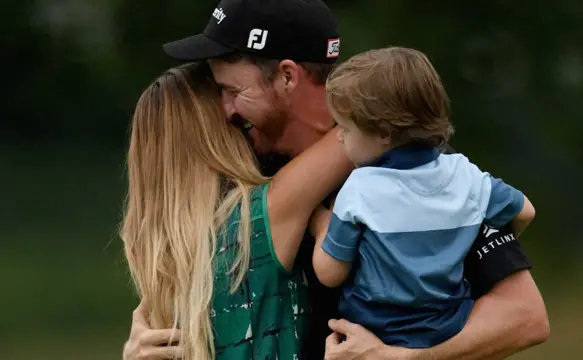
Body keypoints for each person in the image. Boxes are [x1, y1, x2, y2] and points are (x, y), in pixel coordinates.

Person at [123, 0, 549, 358]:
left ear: (288, 76)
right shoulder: (248, 179)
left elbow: (523, 315)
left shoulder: (419, 168)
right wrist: (146, 340)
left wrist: (407, 357)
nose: (228, 110)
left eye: (234, 90)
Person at [120, 61, 353, 360]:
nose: (236, 113)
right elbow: (365, 128)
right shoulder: (258, 217)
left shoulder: (159, 254)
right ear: (214, 136)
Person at [310, 47, 536, 350]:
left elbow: (329, 273)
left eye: (346, 129)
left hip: (376, 333)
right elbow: (525, 212)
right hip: (448, 330)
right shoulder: (465, 174)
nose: (339, 137)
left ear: (384, 134)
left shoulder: (360, 188)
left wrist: (319, 223)